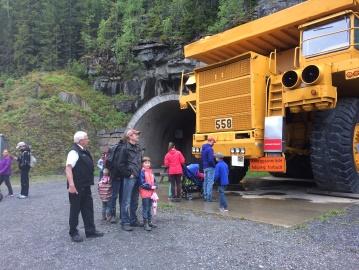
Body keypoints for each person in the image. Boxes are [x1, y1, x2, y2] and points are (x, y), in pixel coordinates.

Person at [65, 131, 104, 242]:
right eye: (86, 138)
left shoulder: (83, 150)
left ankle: (90, 231)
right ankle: (73, 233)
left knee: (88, 208)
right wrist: (71, 185)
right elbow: (68, 168)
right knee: (75, 209)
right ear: (80, 140)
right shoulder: (74, 152)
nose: (88, 139)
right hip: (76, 187)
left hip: (85, 186)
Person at [116, 128, 142, 231]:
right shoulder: (124, 148)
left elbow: (139, 161)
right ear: (130, 136)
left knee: (135, 200)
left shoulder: (138, 148)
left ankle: (133, 220)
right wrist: (128, 174)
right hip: (130, 178)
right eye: (136, 134)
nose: (137, 136)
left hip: (137, 176)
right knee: (126, 200)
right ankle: (125, 222)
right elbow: (120, 164)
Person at [139, 156, 157, 231]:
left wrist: (156, 185)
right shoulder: (142, 172)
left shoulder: (150, 171)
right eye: (145, 163)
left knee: (149, 207)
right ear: (142, 164)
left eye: (148, 163)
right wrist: (151, 187)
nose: (147, 164)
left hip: (151, 193)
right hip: (145, 193)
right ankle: (145, 223)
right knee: (145, 208)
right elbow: (142, 183)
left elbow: (154, 180)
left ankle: (149, 222)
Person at [201, 136, 216, 202]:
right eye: (213, 142)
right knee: (210, 182)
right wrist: (214, 165)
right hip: (210, 167)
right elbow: (210, 160)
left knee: (206, 182)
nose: (214, 144)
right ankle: (209, 197)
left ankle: (205, 195)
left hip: (205, 167)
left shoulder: (203, 149)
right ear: (211, 141)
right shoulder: (210, 149)